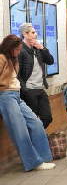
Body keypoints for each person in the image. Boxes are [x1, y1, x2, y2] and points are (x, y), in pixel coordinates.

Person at [0, 34, 55, 171]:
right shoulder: (1, 58)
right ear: (9, 48)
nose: (19, 52)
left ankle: (43, 158)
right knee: (20, 130)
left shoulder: (13, 59)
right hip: (5, 96)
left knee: (36, 123)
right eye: (17, 49)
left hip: (17, 95)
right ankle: (33, 162)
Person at [17, 23, 54, 129]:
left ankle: (37, 137)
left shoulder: (37, 48)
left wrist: (42, 48)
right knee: (32, 121)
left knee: (47, 118)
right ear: (25, 34)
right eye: (33, 32)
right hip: (29, 90)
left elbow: (50, 61)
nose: (35, 34)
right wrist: (25, 90)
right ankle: (33, 142)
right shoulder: (20, 50)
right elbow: (17, 74)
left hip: (40, 88)